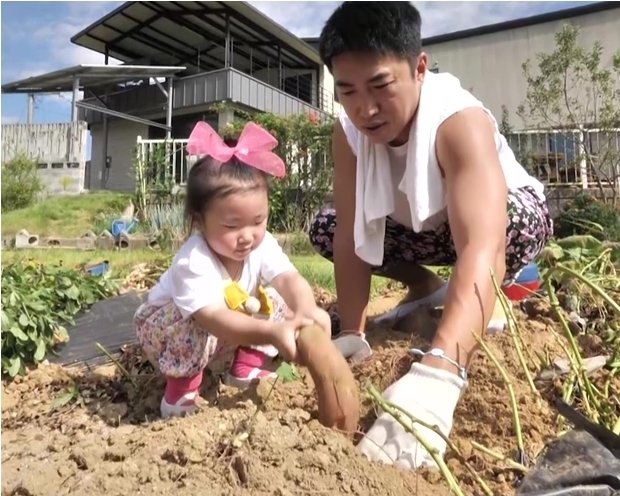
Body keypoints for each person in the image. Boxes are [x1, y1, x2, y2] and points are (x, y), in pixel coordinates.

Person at [309, 2, 553, 469]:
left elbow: (483, 243)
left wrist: (441, 371)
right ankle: (424, 286)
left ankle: (493, 291)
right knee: (327, 225)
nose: (366, 108)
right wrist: (353, 333)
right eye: (348, 91)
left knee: (507, 226)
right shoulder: (347, 133)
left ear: (419, 68)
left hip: (495, 225)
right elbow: (351, 231)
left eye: (381, 85)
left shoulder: (457, 119)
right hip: (423, 232)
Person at [135, 121, 331, 419]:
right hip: (170, 332)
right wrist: (271, 332)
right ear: (199, 221)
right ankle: (182, 387)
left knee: (277, 301)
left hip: (225, 329)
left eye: (258, 221)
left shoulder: (260, 246)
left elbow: (289, 278)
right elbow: (213, 319)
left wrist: (305, 309)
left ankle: (246, 365)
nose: (247, 235)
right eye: (231, 226)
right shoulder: (194, 261)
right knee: (191, 322)